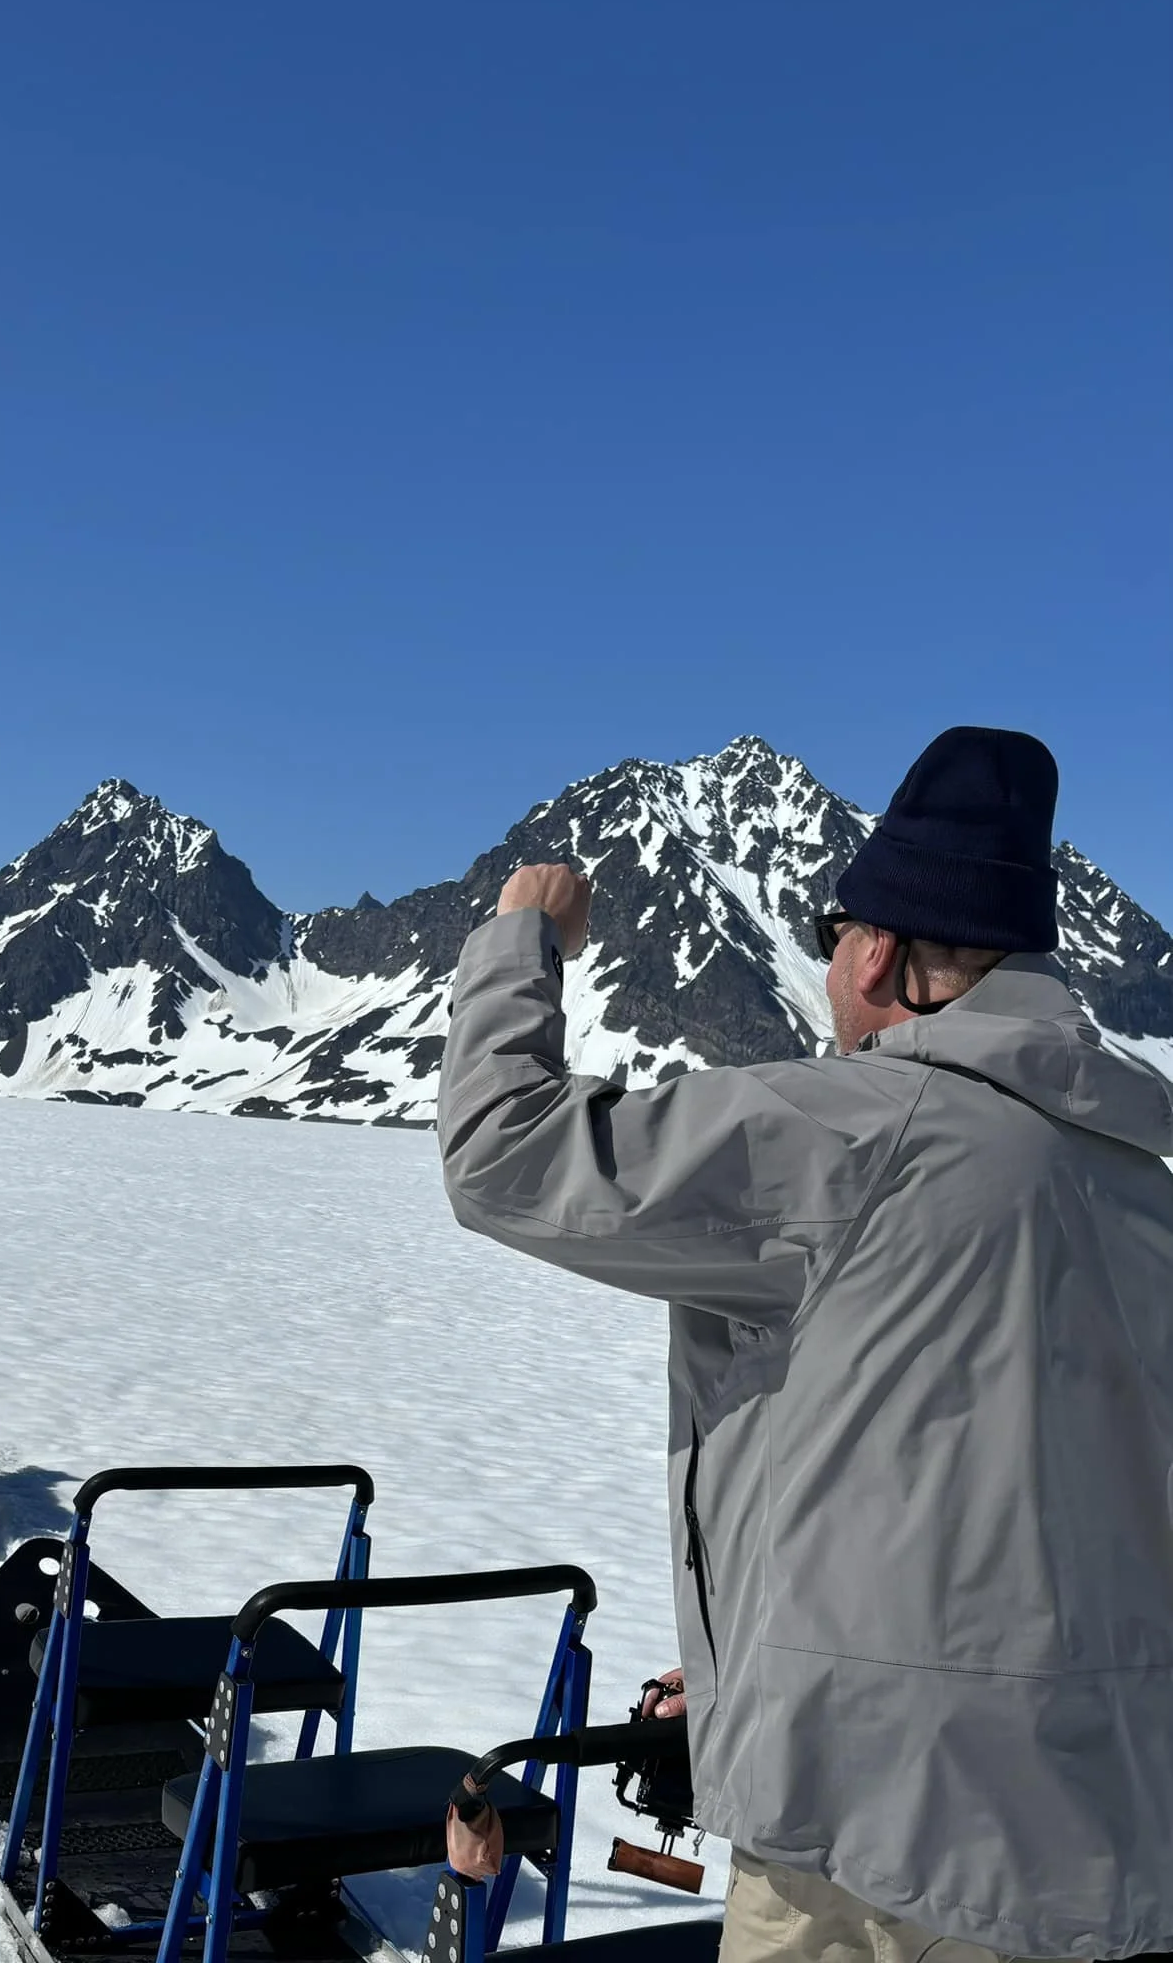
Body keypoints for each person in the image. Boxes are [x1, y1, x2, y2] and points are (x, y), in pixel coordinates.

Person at [437, 727, 1173, 1963]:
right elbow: (1005, 1503)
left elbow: (505, 1154)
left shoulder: (861, 1130)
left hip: (881, 1845)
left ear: (877, 949)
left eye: (833, 937)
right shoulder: (1135, 1180)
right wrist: (757, 1664)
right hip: (1106, 1839)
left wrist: (524, 935)